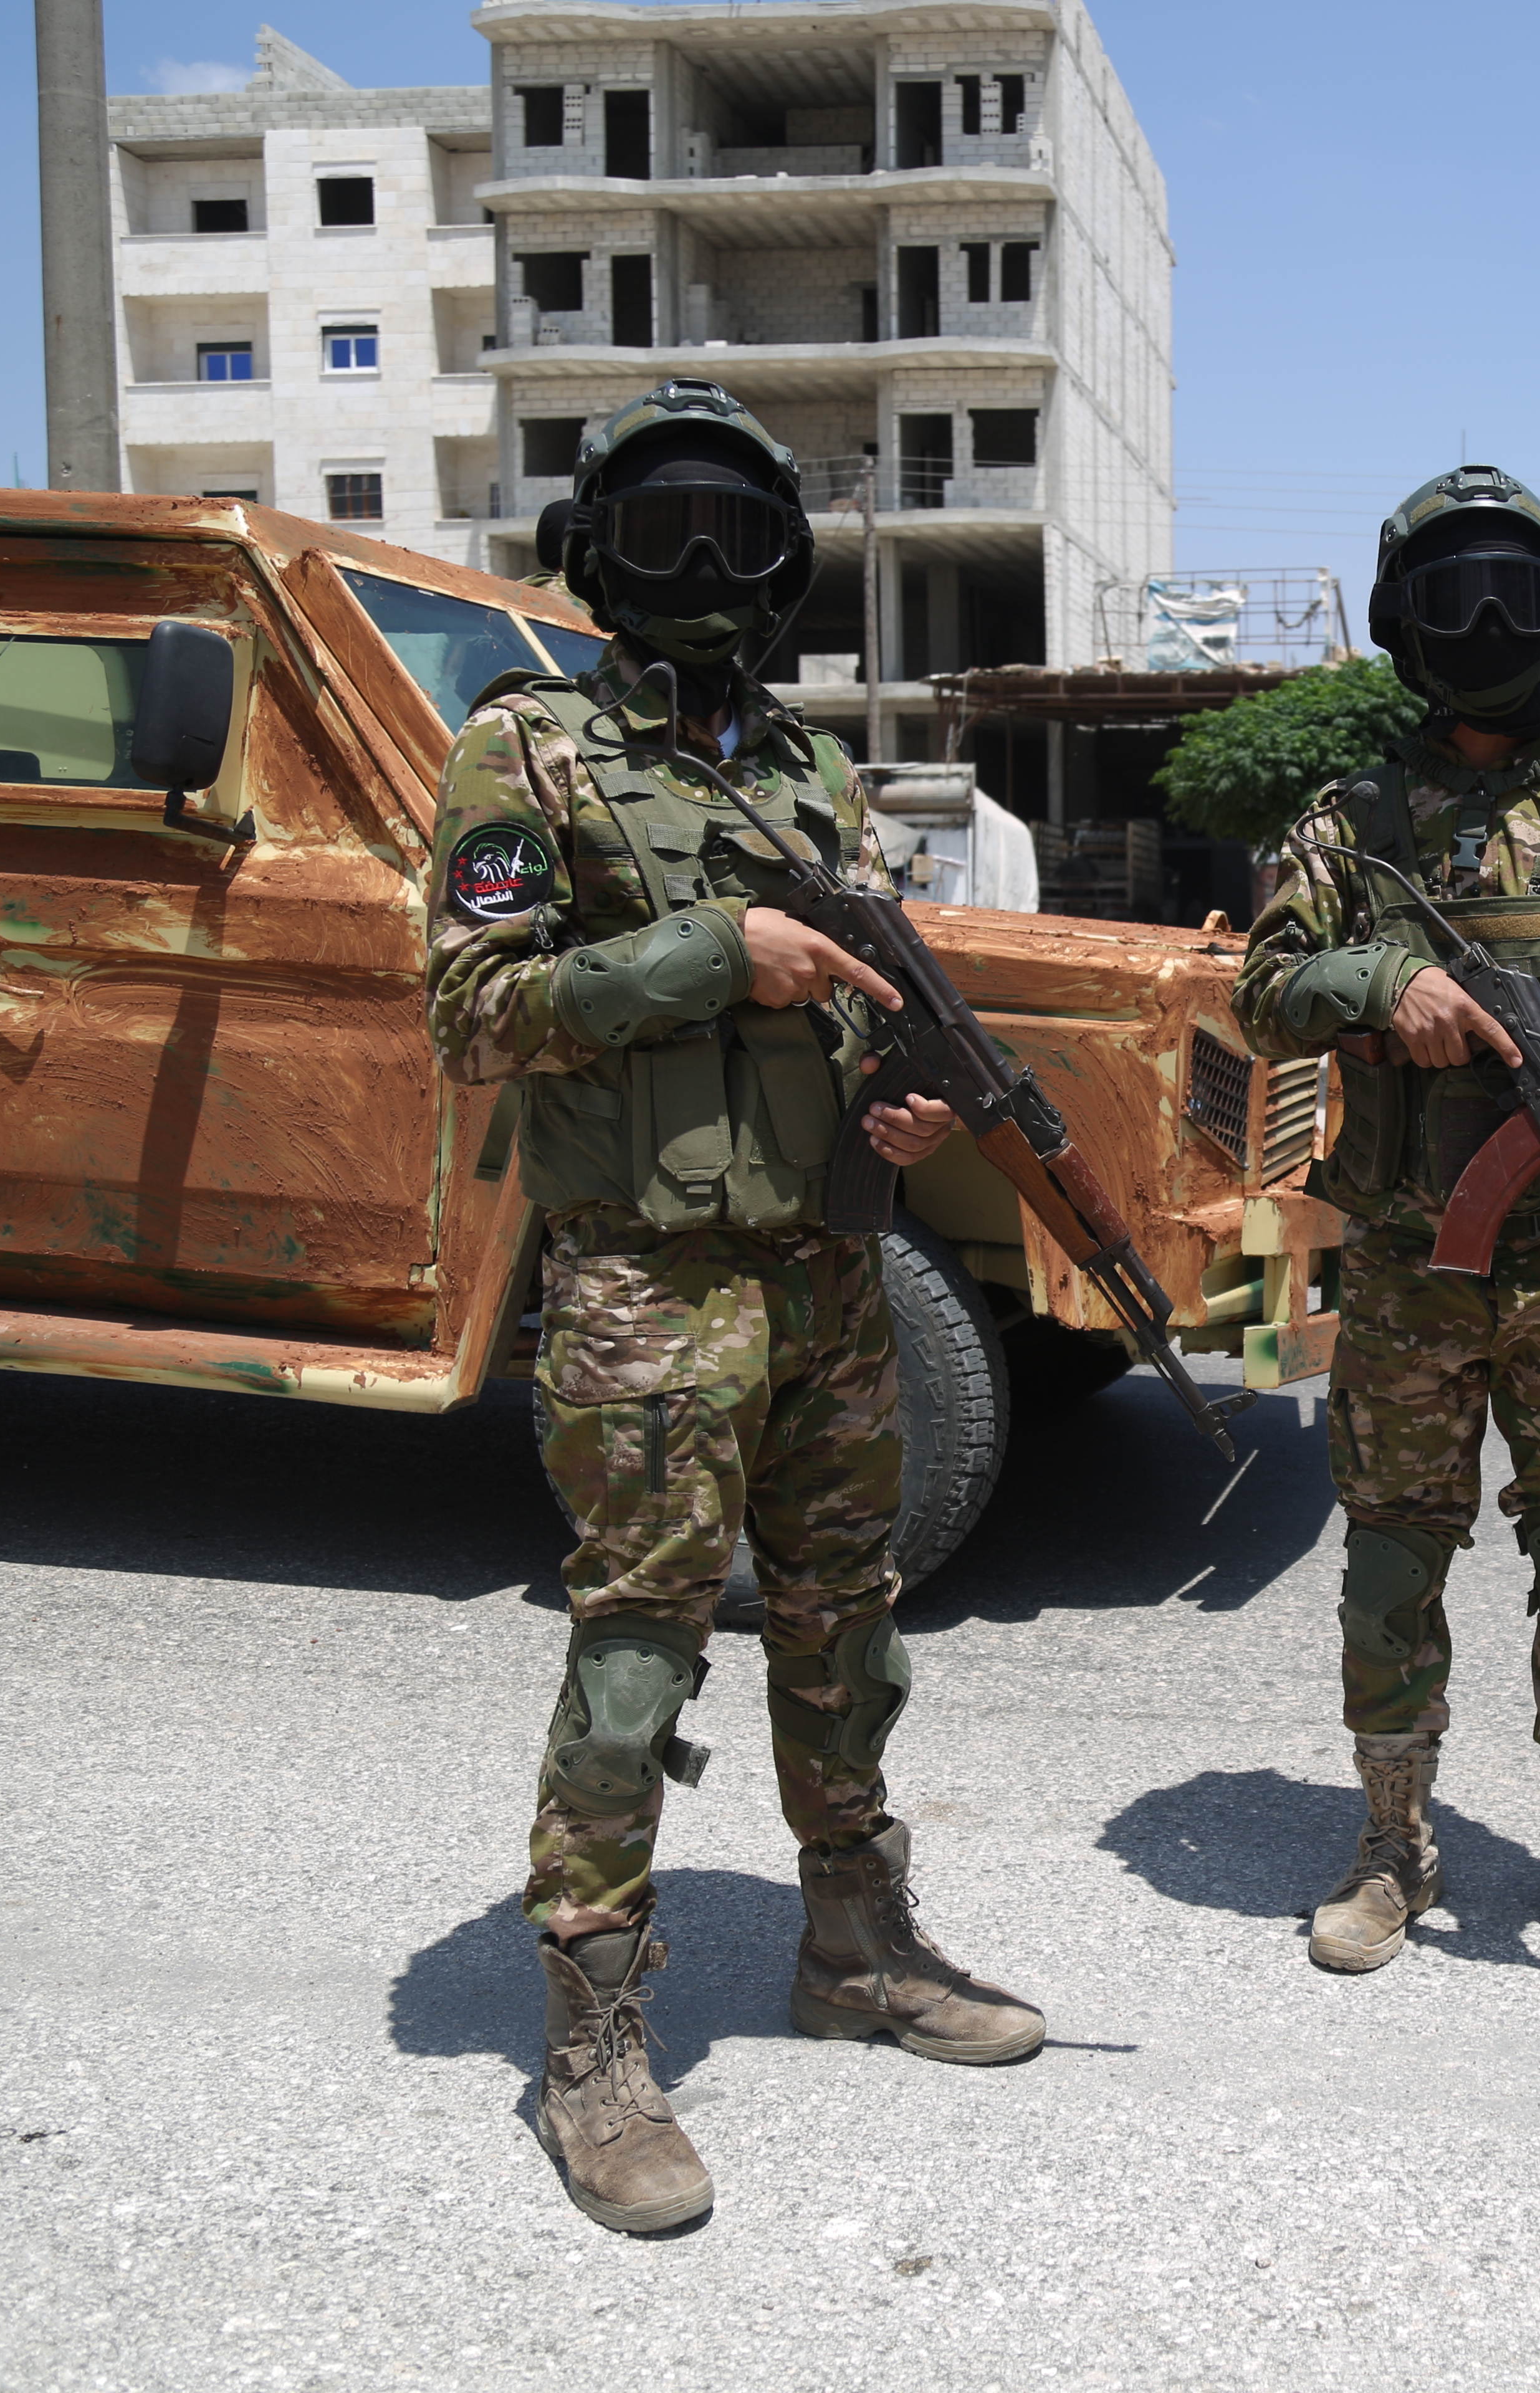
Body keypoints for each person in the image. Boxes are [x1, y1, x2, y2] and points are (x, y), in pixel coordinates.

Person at [424, 378, 1042, 2234]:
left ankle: (854, 1944)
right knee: (638, 1644)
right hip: (645, 1286)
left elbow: (843, 1013)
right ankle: (595, 2040)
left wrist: (893, 1101)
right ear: (595, 553)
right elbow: (469, 1006)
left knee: (848, 1622)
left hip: (828, 1276)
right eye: (662, 528)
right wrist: (714, 946)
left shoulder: (805, 767)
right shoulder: (518, 750)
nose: (702, 567)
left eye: (739, 534)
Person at [1231, 465, 1540, 1986]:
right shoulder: (1348, 823)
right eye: (1453, 593)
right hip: (1404, 1260)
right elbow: (1261, 993)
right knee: (1391, 1564)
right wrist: (1384, 987)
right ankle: (1391, 1842)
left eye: (1510, 588)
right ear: (1400, 620)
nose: (1487, 620)